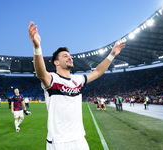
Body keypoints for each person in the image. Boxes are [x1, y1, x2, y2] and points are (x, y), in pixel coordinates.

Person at [28, 21, 125, 150]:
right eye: (65, 56)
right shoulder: (52, 79)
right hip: (59, 141)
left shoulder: (77, 80)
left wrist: (111, 55)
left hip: (80, 139)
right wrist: (37, 47)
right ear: (56, 62)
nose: (70, 58)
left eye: (70, 56)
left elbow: (97, 72)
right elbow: (41, 72)